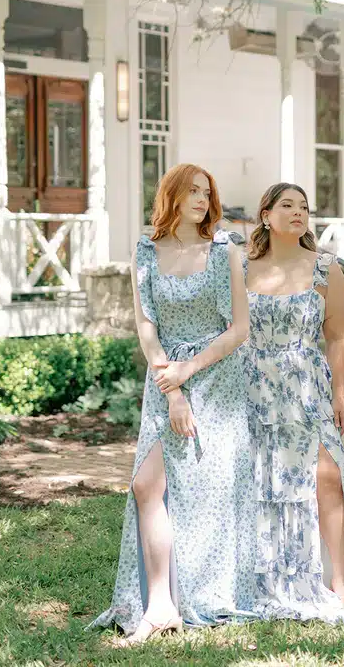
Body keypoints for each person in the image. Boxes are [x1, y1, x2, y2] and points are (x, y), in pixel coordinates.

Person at [90, 164, 255, 643]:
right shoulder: (145, 251)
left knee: (194, 489)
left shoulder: (225, 251)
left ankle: (186, 598)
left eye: (208, 192)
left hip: (214, 375)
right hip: (165, 380)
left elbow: (239, 330)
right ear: (173, 195)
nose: (203, 200)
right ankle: (161, 604)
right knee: (148, 486)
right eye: (193, 191)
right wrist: (172, 384)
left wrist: (188, 371)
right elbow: (146, 327)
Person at [243, 182, 344, 621]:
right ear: (266, 214)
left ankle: (341, 582)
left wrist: (341, 388)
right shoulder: (240, 268)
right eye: (287, 205)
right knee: (262, 482)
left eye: (304, 207)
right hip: (252, 389)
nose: (299, 212)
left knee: (327, 476)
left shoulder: (325, 269)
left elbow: (337, 336)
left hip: (306, 387)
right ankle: (265, 576)